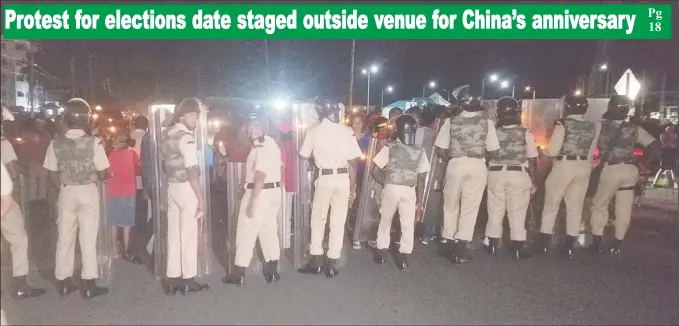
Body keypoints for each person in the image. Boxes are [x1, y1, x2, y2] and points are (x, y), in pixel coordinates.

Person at [43, 98, 110, 299]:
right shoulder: (94, 142)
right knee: (88, 239)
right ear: (85, 118)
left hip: (66, 192)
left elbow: (52, 173)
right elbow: (104, 172)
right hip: (88, 191)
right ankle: (89, 283)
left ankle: (63, 281)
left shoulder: (55, 143)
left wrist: (64, 186)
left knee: (64, 237)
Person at [433, 85, 500, 264]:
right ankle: (461, 248)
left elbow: (440, 151)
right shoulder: (487, 123)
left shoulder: (451, 121)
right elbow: (494, 152)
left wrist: (456, 154)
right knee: (470, 208)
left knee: (450, 205)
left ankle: (448, 242)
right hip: (478, 166)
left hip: (456, 164)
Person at [298, 98, 362, 278]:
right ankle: (332, 264)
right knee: (338, 221)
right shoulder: (347, 131)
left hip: (325, 177)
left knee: (318, 219)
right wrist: (353, 186)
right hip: (343, 179)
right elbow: (352, 162)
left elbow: (303, 155)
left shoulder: (313, 130)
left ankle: (316, 260)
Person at [589, 95, 660, 256]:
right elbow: (655, 145)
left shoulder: (602, 127)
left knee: (599, 205)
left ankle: (597, 243)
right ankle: (617, 245)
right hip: (630, 169)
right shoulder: (635, 129)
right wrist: (644, 164)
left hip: (611, 169)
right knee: (624, 207)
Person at [222, 111, 283, 285]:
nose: (253, 129)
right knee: (268, 229)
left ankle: (238, 273)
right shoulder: (269, 143)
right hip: (272, 192)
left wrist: (253, 201)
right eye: (250, 126)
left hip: (259, 191)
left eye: (256, 125)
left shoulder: (263, 146)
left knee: (246, 230)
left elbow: (261, 174)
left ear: (264, 126)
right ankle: (272, 271)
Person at [535, 94, 600, 259]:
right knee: (575, 207)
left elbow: (553, 151)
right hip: (584, 166)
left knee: (551, 205)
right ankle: (569, 246)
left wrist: (541, 151)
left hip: (564, 166)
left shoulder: (563, 124)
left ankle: (543, 243)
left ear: (568, 108)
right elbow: (592, 151)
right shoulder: (593, 127)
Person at [160, 98, 209, 295]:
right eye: (192, 115)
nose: (195, 119)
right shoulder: (186, 138)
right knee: (188, 235)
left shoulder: (168, 135)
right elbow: (191, 171)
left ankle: (172, 278)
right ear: (181, 116)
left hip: (171, 187)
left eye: (196, 116)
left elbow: (165, 165)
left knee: (173, 235)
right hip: (187, 188)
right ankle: (188, 279)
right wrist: (201, 198)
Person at [371, 115, 429, 269]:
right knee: (408, 224)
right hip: (409, 190)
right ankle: (404, 256)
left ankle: (382, 252)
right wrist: (420, 200)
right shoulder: (420, 151)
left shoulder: (389, 147)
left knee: (385, 220)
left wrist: (386, 182)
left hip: (391, 187)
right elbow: (422, 178)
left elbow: (375, 170)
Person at [484, 97, 538, 260]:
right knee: (517, 212)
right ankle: (517, 247)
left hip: (495, 174)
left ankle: (492, 244)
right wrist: (534, 180)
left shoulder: (492, 131)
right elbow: (533, 158)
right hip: (519, 175)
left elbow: (487, 154)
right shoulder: (525, 132)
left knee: (494, 211)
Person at [0, 107, 45, 299]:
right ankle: (21, 285)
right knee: (19, 240)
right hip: (4, 201)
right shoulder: (4, 144)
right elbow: (10, 174)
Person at [107, 132, 143, 264]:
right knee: (127, 222)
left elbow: (110, 173)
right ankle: (127, 249)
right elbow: (137, 169)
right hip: (129, 191)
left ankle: (113, 249)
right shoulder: (132, 154)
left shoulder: (112, 155)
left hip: (114, 190)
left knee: (114, 222)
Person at [130, 116, 149, 240]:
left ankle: (130, 236)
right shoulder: (148, 139)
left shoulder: (128, 138)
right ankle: (141, 236)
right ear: (146, 126)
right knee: (142, 210)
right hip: (144, 181)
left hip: (128, 182)